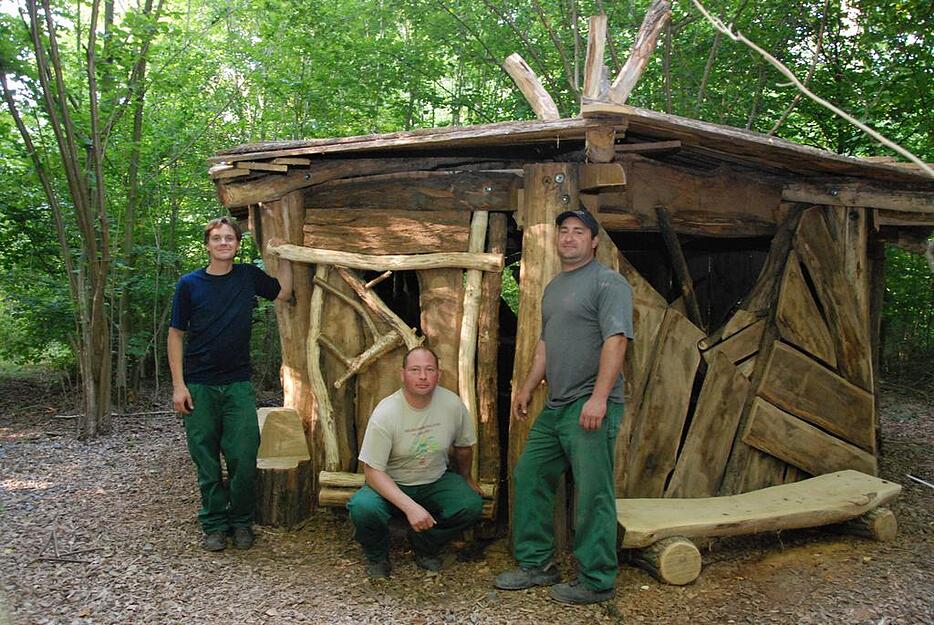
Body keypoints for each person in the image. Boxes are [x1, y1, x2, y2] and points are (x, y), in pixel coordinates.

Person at [494, 208, 633, 605]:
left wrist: (599, 398)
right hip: (556, 406)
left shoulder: (608, 282)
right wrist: (527, 387)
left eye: (579, 232)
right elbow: (545, 343)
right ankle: (537, 563)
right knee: (529, 474)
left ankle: (597, 579)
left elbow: (617, 340)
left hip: (589, 403)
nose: (569, 237)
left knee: (592, 493)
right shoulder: (554, 287)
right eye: (564, 231)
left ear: (594, 241)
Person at [168, 216, 293, 552]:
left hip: (237, 384)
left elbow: (283, 292)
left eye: (229, 238)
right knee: (206, 460)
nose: (223, 243)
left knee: (243, 457)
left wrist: (285, 254)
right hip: (199, 385)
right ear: (207, 245)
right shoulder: (189, 284)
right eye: (217, 238)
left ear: (237, 244)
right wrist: (179, 386)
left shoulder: (247, 276)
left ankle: (241, 522)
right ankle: (214, 524)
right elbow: (176, 334)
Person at [347, 346, 483, 578]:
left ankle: (425, 545)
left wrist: (467, 477)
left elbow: (463, 447)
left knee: (470, 505)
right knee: (362, 507)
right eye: (415, 370)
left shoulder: (452, 404)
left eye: (429, 369)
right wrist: (410, 507)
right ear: (402, 375)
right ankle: (377, 556)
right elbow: (372, 471)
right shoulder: (386, 412)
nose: (423, 376)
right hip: (392, 482)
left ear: (438, 374)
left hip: (435, 479)